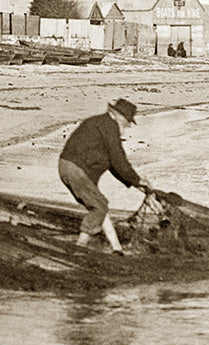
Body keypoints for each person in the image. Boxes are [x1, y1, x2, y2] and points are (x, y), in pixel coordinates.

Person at [58, 98, 150, 255]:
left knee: (99, 206)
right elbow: (118, 158)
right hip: (75, 169)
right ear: (119, 115)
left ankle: (117, 248)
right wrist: (137, 179)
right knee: (100, 205)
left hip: (68, 166)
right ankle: (79, 248)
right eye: (128, 121)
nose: (128, 125)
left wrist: (135, 182)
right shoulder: (110, 126)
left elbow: (114, 165)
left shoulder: (101, 122)